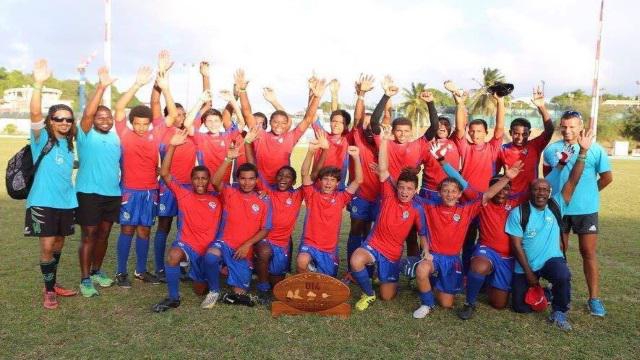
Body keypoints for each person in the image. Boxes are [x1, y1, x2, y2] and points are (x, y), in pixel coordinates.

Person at [411, 146, 517, 319]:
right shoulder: (430, 206)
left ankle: (436, 283)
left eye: (453, 191)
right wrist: (387, 174)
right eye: (445, 191)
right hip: (434, 257)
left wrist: (507, 177)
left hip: (453, 260)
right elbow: (406, 192)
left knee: (447, 304)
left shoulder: (466, 210)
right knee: (422, 270)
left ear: (460, 194)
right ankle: (426, 303)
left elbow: (487, 195)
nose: (449, 194)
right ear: (439, 192)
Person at [508, 129, 594, 330]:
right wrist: (528, 272)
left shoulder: (557, 204)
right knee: (520, 307)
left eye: (545, 190)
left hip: (550, 259)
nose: (541, 193)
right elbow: (516, 246)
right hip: (526, 264)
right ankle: (546, 291)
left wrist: (583, 152)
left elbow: (573, 180)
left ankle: (559, 311)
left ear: (550, 192)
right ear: (531, 191)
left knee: (562, 274)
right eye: (537, 189)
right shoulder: (519, 212)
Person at [542, 111, 613, 317]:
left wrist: (589, 193)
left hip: (586, 210)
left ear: (580, 127)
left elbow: (607, 178)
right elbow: (548, 178)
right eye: (564, 126)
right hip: (559, 209)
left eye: (572, 126)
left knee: (588, 253)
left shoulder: (595, 149)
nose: (567, 130)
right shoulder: (551, 150)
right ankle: (560, 293)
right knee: (558, 254)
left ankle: (594, 299)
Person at [350, 124, 428, 311]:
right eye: (401, 187)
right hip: (374, 244)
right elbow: (384, 170)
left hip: (392, 254)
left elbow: (423, 233)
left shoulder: (417, 208)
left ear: (415, 191)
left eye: (409, 189)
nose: (404, 191)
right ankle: (368, 293)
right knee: (355, 260)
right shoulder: (388, 194)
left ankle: (391, 273)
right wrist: (384, 141)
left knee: (387, 296)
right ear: (396, 187)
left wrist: (426, 250)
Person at [113, 67, 176, 287]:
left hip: (150, 190)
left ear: (150, 123)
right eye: (137, 123)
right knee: (127, 229)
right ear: (131, 122)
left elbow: (174, 116)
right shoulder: (124, 133)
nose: (140, 127)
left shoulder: (156, 132)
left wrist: (165, 88)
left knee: (144, 229)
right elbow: (119, 107)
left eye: (144, 123)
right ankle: (121, 272)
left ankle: (141, 270)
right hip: (129, 191)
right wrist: (137, 84)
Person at [25, 59, 78, 309]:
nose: (64, 123)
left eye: (68, 119)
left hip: (66, 202)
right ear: (51, 120)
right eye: (59, 119)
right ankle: (49, 291)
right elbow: (35, 113)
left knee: (58, 244)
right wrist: (38, 83)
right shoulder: (41, 138)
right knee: (46, 244)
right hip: (42, 201)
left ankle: (52, 282)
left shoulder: (69, 144)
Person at [151, 129, 222, 312]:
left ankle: (213, 285)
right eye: (196, 178)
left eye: (204, 179)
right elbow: (165, 173)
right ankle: (173, 297)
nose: (200, 182)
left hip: (208, 248)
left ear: (209, 181)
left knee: (200, 289)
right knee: (173, 256)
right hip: (187, 244)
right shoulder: (184, 193)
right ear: (191, 180)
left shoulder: (218, 197)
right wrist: (172, 146)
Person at [243, 126, 308, 304]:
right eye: (280, 175)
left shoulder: (297, 194)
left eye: (287, 176)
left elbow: (311, 175)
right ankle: (262, 288)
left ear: (293, 181)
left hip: (282, 243)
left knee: (277, 284)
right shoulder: (267, 191)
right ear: (275, 178)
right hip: (266, 239)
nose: (283, 179)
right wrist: (248, 143)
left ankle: (268, 276)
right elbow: (253, 167)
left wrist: (315, 150)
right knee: (264, 252)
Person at [204, 143, 272, 306]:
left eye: (250, 179)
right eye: (242, 178)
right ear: (237, 179)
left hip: (243, 249)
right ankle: (214, 290)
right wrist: (228, 159)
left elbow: (266, 229)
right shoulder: (230, 192)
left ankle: (227, 269)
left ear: (256, 180)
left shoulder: (263, 200)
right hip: (225, 242)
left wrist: (247, 245)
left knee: (240, 292)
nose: (246, 183)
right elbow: (215, 181)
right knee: (210, 255)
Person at [369, 76, 429, 258]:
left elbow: (433, 127)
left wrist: (430, 104)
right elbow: (373, 122)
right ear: (393, 131)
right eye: (399, 130)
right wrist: (386, 96)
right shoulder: (386, 142)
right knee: (382, 233)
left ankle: (412, 269)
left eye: (406, 131)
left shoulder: (417, 144)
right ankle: (378, 269)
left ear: (411, 132)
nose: (402, 134)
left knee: (411, 235)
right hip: (389, 195)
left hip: (408, 196)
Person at [151, 50, 198, 282]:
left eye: (182, 114)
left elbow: (198, 111)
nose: (179, 117)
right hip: (168, 187)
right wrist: (164, 84)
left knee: (184, 228)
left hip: (188, 188)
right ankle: (160, 267)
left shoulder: (190, 134)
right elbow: (161, 106)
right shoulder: (163, 132)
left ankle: (180, 264)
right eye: (175, 114)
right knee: (164, 226)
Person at [449, 84, 506, 274]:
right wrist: (460, 104)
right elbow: (459, 128)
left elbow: (500, 127)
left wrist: (500, 102)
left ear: (486, 132)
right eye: (472, 131)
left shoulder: (493, 147)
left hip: (487, 203)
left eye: (479, 131)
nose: (475, 134)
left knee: (488, 240)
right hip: (467, 202)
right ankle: (465, 272)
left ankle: (485, 272)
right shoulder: (466, 147)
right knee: (466, 239)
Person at [75, 67, 121, 297]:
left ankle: (96, 271)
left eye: (108, 117)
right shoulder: (85, 133)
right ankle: (84, 280)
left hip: (112, 194)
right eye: (99, 117)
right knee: (89, 235)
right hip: (88, 193)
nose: (104, 120)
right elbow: (87, 114)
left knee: (104, 234)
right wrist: (102, 87)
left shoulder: (115, 137)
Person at [236, 69, 325, 185]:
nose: (279, 126)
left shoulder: (291, 137)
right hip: (261, 186)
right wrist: (242, 90)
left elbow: (308, 118)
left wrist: (317, 97)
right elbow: (247, 113)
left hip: (282, 185)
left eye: (283, 123)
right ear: (270, 122)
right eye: (276, 122)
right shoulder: (260, 134)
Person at [297, 139, 363, 277]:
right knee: (302, 261)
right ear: (320, 181)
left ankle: (316, 269)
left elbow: (358, 181)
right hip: (310, 244)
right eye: (325, 179)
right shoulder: (311, 195)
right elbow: (304, 173)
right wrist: (310, 152)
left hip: (329, 249)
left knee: (326, 281)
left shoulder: (341, 197)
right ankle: (308, 273)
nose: (328, 183)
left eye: (332, 180)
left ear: (338, 183)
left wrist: (356, 157)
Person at [344, 74, 381, 281]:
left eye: (370, 125)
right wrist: (361, 95)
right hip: (361, 196)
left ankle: (373, 270)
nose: (367, 128)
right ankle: (352, 268)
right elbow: (358, 119)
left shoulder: (383, 143)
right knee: (356, 230)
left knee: (375, 235)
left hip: (381, 197)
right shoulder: (357, 136)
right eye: (365, 125)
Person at [498, 86, 554, 203]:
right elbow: (494, 173)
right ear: (510, 133)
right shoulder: (503, 150)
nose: (520, 137)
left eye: (524, 134)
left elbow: (549, 130)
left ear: (529, 133)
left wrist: (541, 106)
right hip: (509, 199)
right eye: (516, 133)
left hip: (531, 198)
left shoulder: (535, 145)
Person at [420, 90, 460, 197]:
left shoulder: (454, 141)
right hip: (429, 190)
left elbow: (460, 125)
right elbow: (417, 165)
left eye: (445, 124)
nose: (442, 126)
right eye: (439, 124)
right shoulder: (428, 143)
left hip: (449, 191)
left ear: (450, 129)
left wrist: (458, 101)